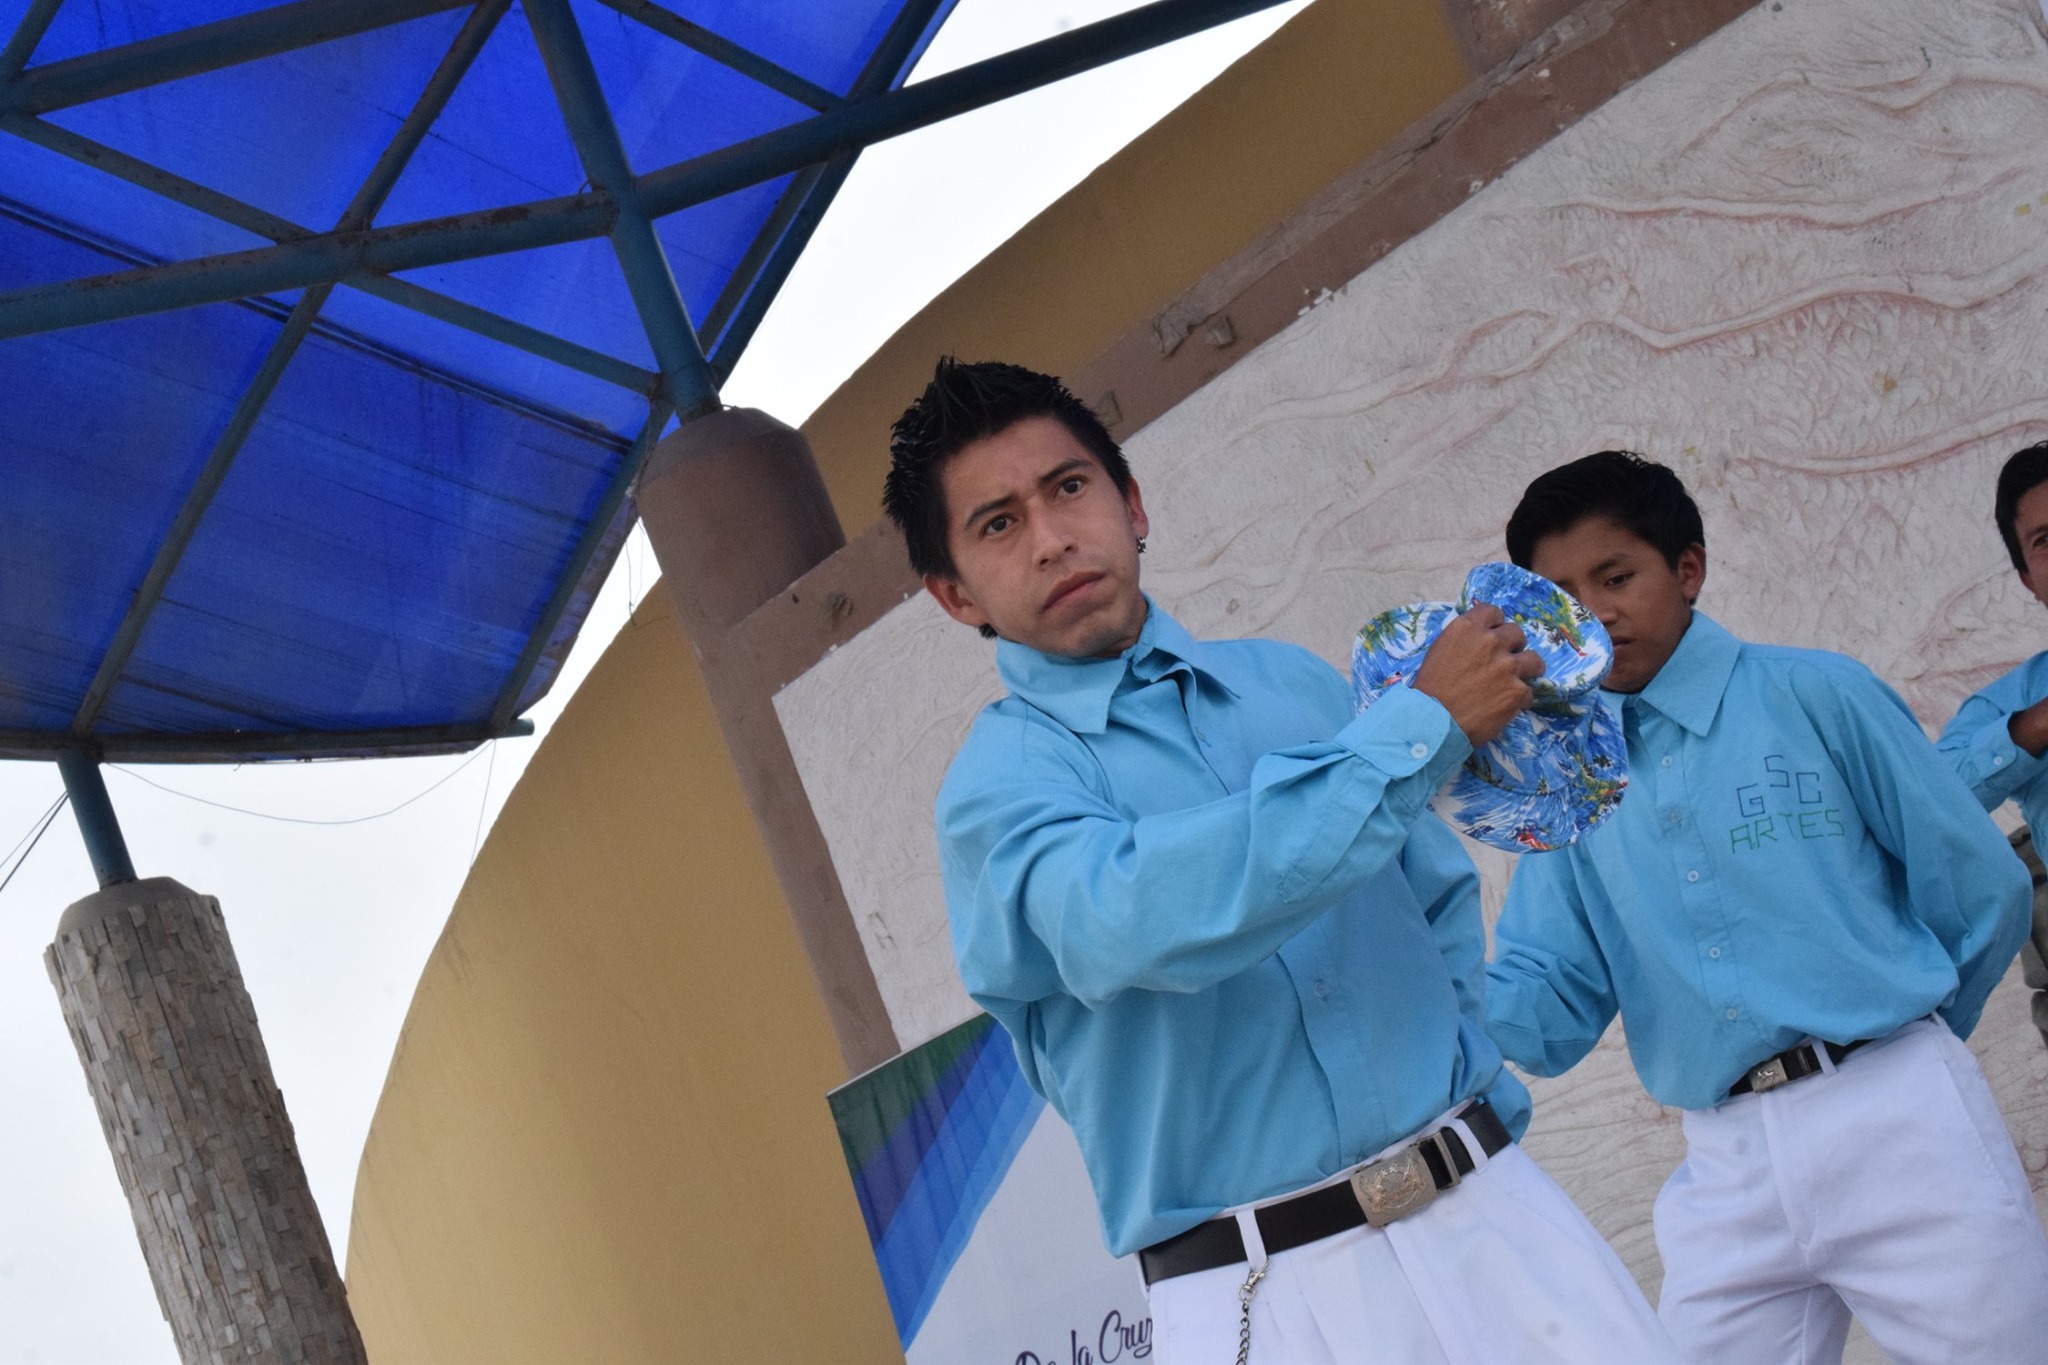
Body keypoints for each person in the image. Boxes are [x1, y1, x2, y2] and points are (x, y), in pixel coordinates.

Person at [884, 358, 1675, 1364]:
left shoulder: (1296, 685)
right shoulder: (996, 791)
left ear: (1132, 503)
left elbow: (1435, 902)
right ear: (955, 594)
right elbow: (1135, 917)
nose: (1050, 538)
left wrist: (1470, 1113)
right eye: (998, 523)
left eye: (1068, 487)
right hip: (1264, 1294)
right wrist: (1416, 729)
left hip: (1493, 1217)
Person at [1484, 450, 2047, 1365]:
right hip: (1726, 1162)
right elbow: (1549, 1005)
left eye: (1616, 577)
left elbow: (1980, 887)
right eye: (1562, 598)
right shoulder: (1570, 780)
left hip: (1898, 1115)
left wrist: (1913, 1040)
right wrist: (1428, 978)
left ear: (1689, 569)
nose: (1595, 613)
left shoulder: (1818, 693)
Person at [1937, 440, 2048, 1044]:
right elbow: (1932, 802)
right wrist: (2035, 727)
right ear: (2028, 579)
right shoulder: (2015, 701)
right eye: (2045, 540)